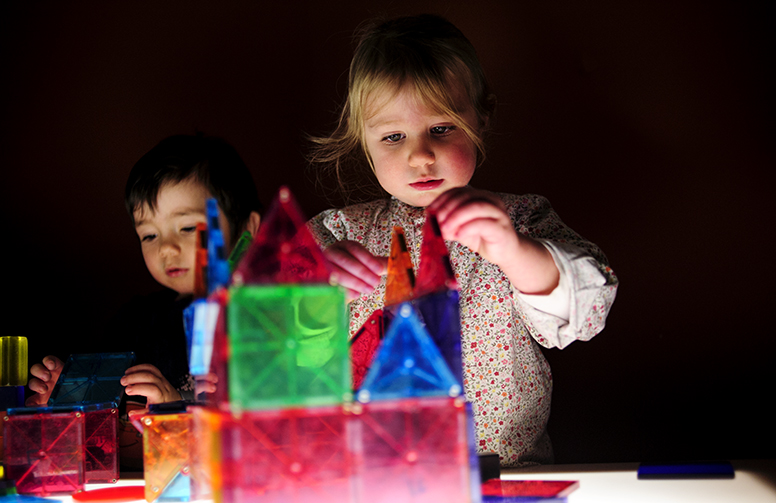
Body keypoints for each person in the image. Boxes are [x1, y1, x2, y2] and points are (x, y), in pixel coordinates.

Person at [307, 14, 618, 467]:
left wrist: (514, 251)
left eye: (441, 128)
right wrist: (314, 286)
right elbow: (261, 335)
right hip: (370, 479)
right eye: (393, 136)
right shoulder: (339, 232)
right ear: (364, 143)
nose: (420, 155)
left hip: (504, 475)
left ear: (482, 117)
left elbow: (589, 307)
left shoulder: (520, 218)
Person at [26, 134, 262, 407]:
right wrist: (69, 393)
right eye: (150, 235)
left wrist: (174, 404)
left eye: (187, 228)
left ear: (247, 227)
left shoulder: (265, 320)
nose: (166, 249)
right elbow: (105, 403)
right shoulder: (135, 324)